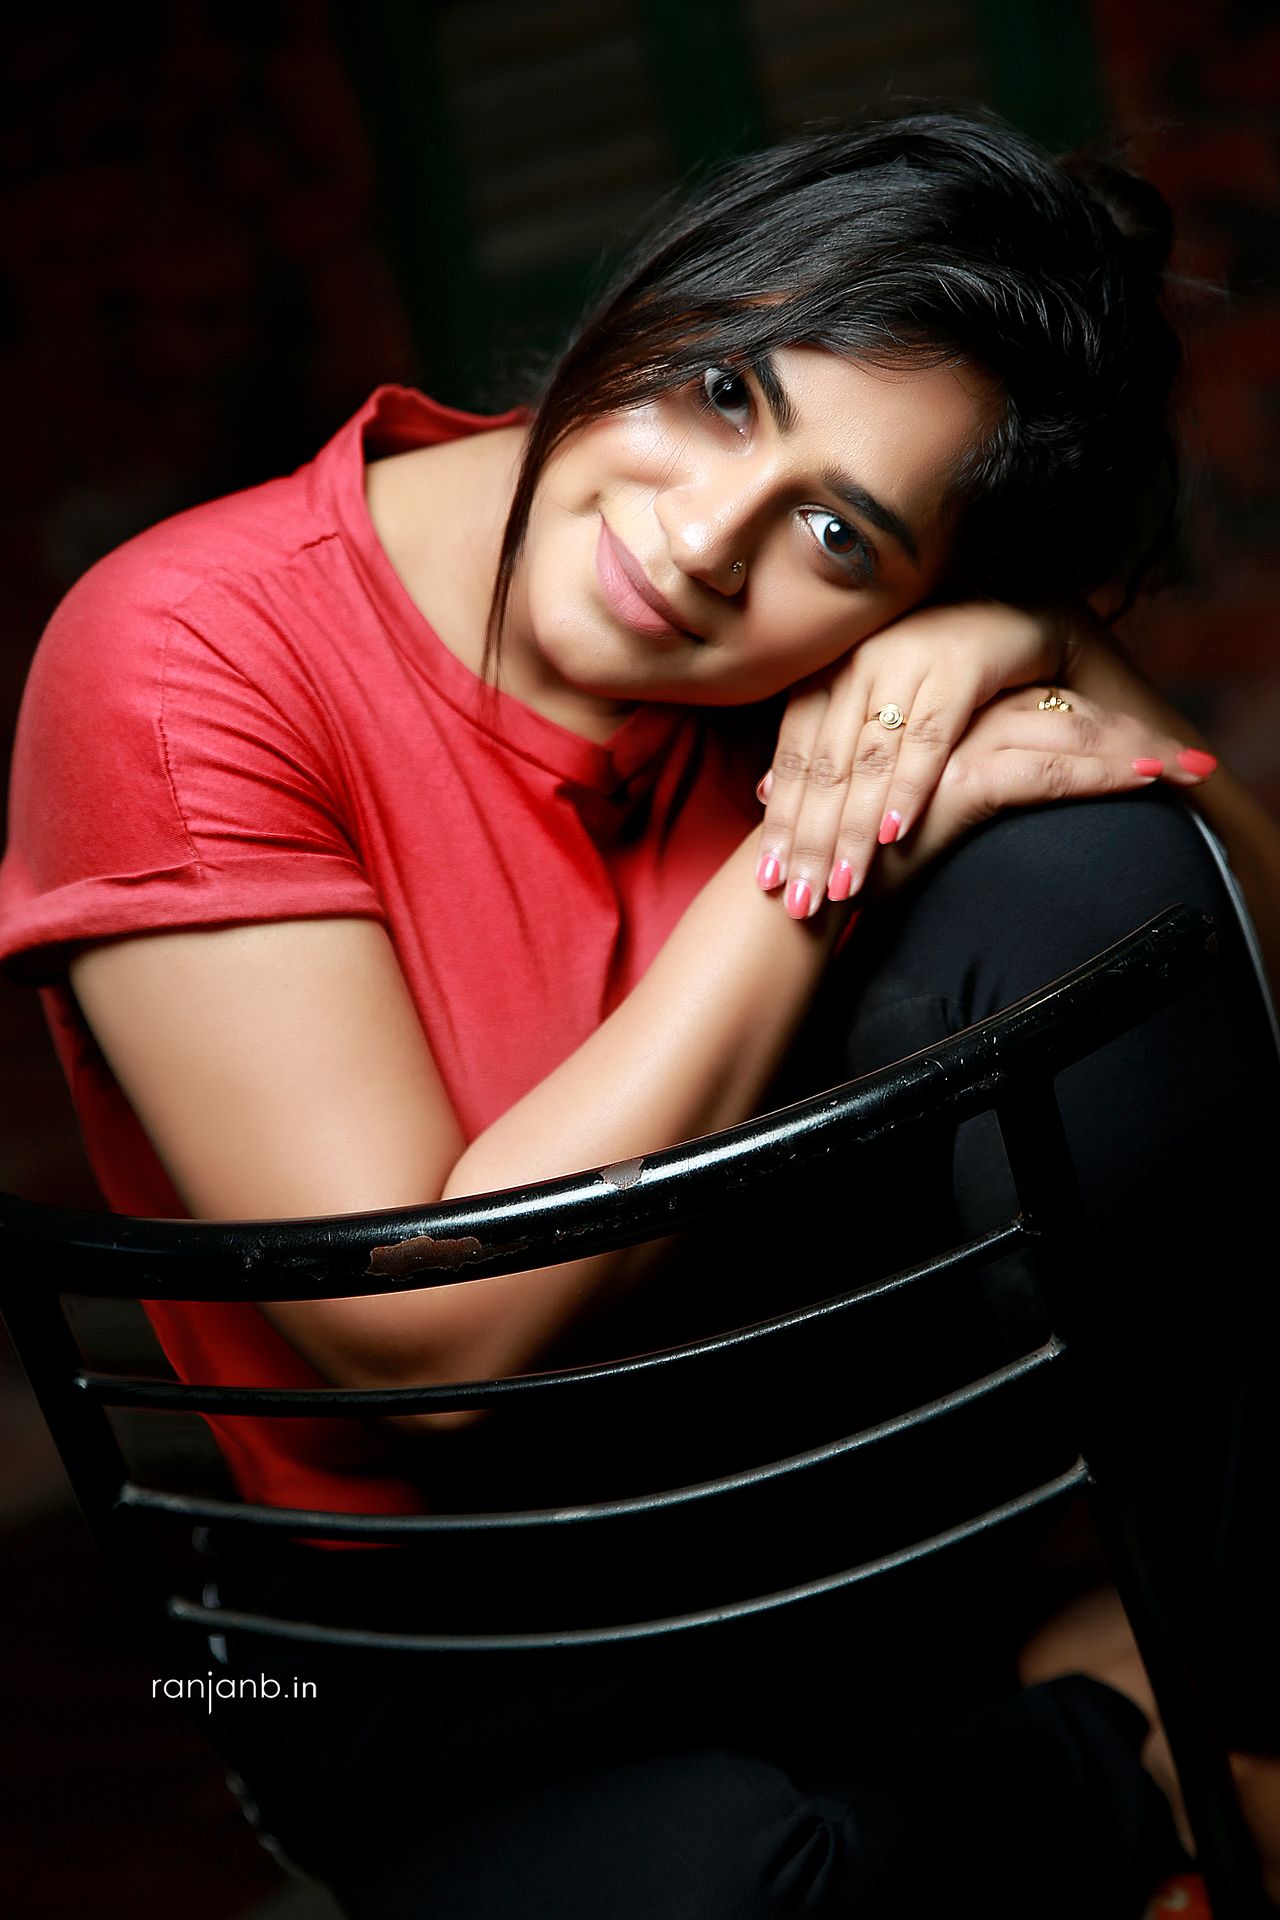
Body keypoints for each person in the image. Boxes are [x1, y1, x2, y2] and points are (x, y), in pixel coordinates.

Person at [2, 106, 1278, 1917]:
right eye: (730, 390)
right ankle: (1132, 1746)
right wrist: (807, 858)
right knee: (733, 1896)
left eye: (840, 533)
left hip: (832, 1512)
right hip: (379, 1634)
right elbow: (427, 1352)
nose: (697, 543)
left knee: (1102, 880)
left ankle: (1234, 1697)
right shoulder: (186, 652)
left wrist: (1047, 657)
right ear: (657, 299)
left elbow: (1241, 979)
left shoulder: (859, 659)